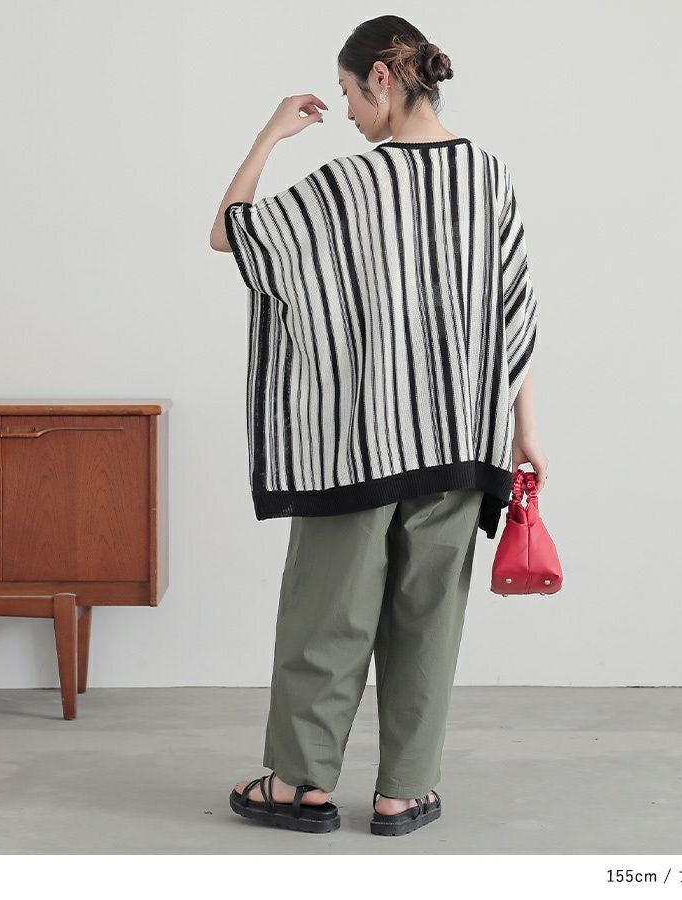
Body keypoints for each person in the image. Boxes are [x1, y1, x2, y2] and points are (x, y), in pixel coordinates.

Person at [209, 14, 548, 836]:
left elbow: (230, 233)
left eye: (349, 93)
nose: (351, 113)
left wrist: (269, 135)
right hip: (460, 442)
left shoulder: (346, 186)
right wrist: (525, 430)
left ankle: (300, 786)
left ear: (384, 80)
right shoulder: (487, 175)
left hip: (354, 447)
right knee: (429, 621)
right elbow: (512, 310)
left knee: (328, 613)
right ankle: (404, 792)